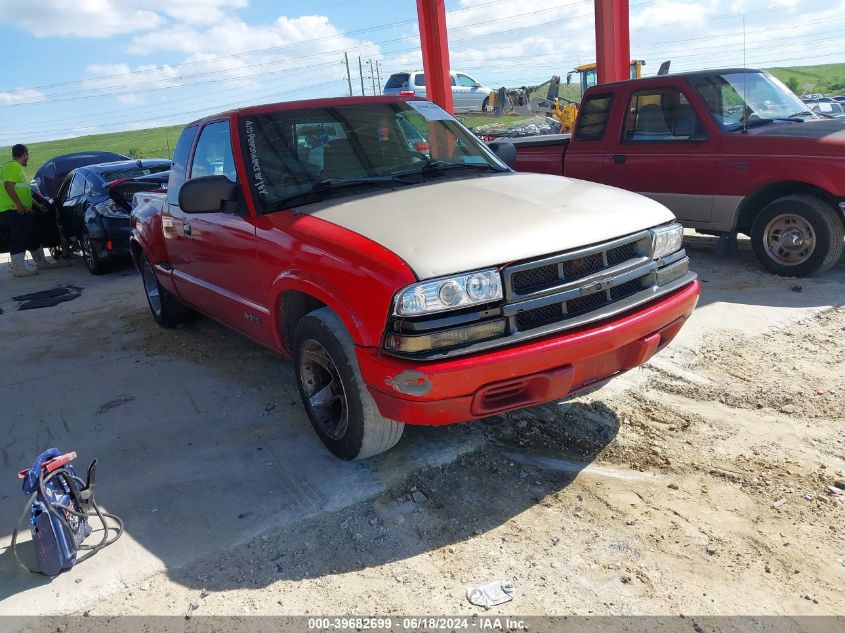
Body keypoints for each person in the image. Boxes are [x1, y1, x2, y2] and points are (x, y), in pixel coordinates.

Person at [0, 144, 62, 277]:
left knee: (33, 234)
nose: (28, 158)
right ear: (24, 154)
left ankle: (41, 263)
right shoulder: (12, 166)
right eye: (27, 154)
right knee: (19, 237)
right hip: (13, 210)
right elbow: (8, 186)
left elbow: (25, 191)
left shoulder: (17, 168)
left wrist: (38, 206)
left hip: (22, 210)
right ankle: (18, 269)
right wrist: (19, 204)